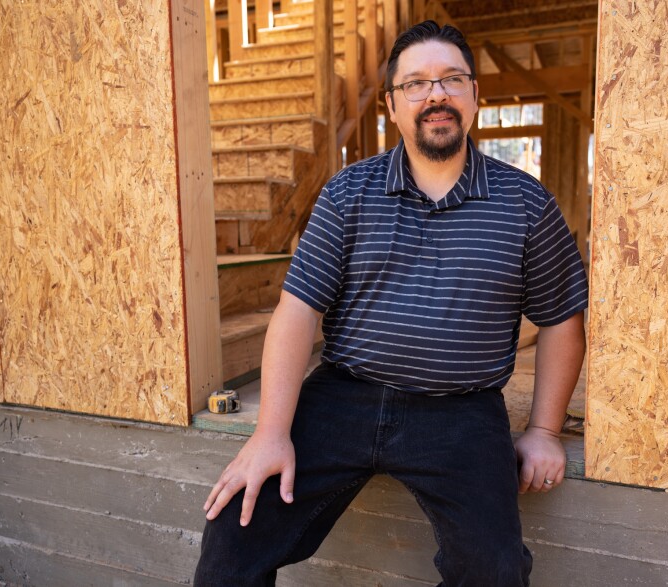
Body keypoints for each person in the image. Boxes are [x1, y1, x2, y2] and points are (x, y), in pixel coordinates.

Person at [194, 20, 588, 587]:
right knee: (234, 535)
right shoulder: (348, 192)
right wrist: (270, 433)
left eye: (452, 79)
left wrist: (546, 431)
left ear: (476, 96)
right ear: (393, 105)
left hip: (461, 412)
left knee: (493, 572)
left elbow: (560, 321)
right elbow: (297, 312)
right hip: (343, 399)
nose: (436, 95)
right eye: (417, 84)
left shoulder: (526, 203)